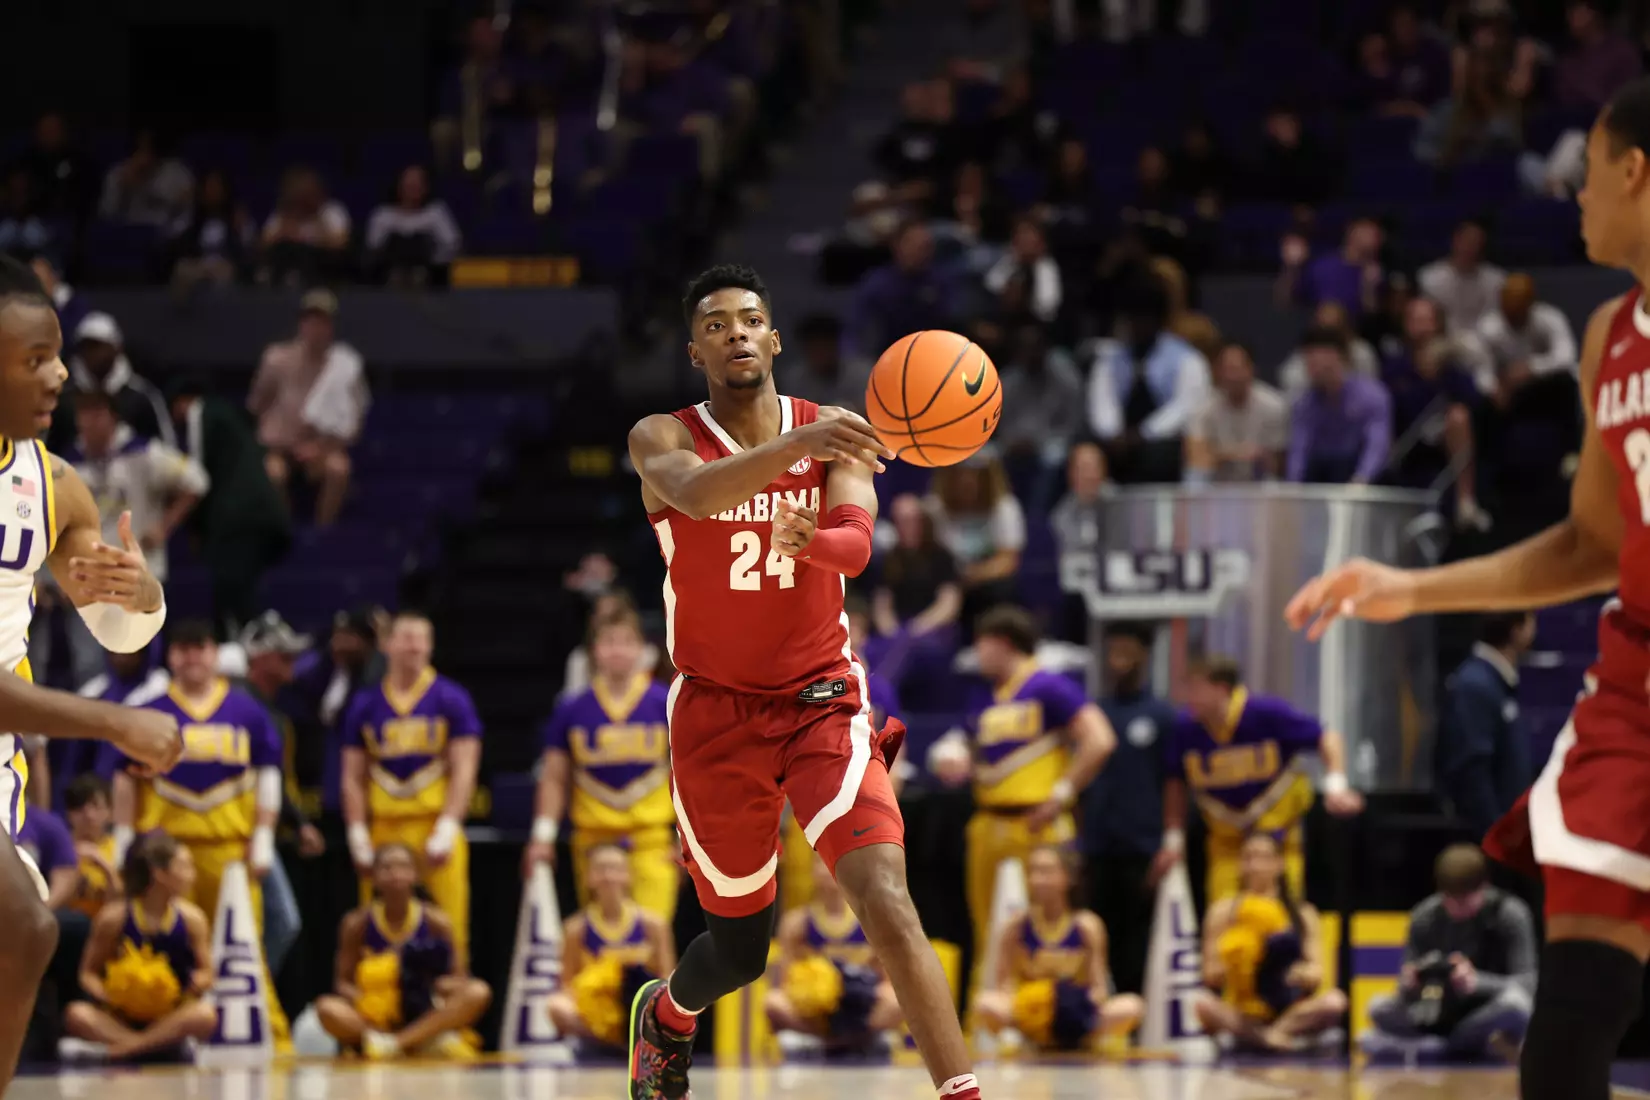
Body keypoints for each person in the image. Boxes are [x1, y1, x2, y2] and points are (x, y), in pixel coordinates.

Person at [1283, 76, 1650, 1100]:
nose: (1577, 198)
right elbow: (1591, 541)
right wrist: (1412, 587)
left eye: (1588, 175)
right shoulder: (1608, 340)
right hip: (1635, 687)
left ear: (1636, 170)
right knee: (1569, 1026)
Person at [623, 264, 984, 1100]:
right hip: (715, 713)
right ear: (695, 350)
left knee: (885, 896)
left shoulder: (833, 432)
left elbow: (857, 545)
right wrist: (794, 451)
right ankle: (669, 1015)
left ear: (775, 338)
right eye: (717, 325)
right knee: (742, 951)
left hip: (822, 697)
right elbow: (696, 498)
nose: (737, 333)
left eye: (751, 320)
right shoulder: (661, 438)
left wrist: (811, 539)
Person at [0, 254, 182, 1097]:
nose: (61, 374)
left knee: (23, 932)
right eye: (34, 357)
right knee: (26, 927)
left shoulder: (51, 480)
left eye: (58, 353)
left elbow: (119, 623)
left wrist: (138, 592)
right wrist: (111, 722)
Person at [112, 619, 291, 1044]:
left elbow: (269, 773)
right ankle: (165, 1032)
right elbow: (123, 776)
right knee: (164, 948)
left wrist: (264, 835)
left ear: (216, 654)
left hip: (230, 850)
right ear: (172, 657)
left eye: (201, 647)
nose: (193, 656)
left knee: (244, 946)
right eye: (184, 649)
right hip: (164, 855)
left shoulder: (248, 711)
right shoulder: (152, 709)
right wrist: (122, 837)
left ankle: (265, 1032)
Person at [927, 605, 1116, 978]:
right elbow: (966, 747)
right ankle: (989, 1020)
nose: (976, 655)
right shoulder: (984, 697)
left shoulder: (1049, 686)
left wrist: (1061, 795)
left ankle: (1055, 1010)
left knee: (1045, 925)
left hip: (1037, 824)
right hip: (988, 823)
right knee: (988, 928)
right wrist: (953, 758)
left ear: (1003, 643)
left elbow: (1100, 739)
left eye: (982, 645)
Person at [1151, 656, 1364, 905]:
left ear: (1221, 689)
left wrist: (1336, 786)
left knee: (1283, 915)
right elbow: (1175, 781)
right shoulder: (1186, 728)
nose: (1189, 698)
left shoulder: (1265, 713)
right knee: (1223, 916)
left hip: (1279, 840)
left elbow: (1328, 739)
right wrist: (1173, 840)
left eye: (1196, 689)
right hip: (1226, 843)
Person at [340, 611, 481, 964]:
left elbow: (465, 768)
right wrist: (357, 833)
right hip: (384, 828)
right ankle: (377, 1005)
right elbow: (352, 776)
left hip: (433, 825)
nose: (413, 645)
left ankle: (453, 1011)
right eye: (405, 637)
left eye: (421, 638)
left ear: (431, 646)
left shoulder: (452, 698)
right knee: (377, 927)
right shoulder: (365, 704)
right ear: (387, 644)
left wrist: (448, 826)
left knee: (450, 927)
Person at [529, 605, 677, 921]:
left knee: (652, 936)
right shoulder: (572, 708)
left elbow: (688, 774)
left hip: (650, 840)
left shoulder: (666, 701)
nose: (617, 650)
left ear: (642, 649)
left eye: (626, 641)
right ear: (595, 651)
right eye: (609, 642)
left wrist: (686, 838)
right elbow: (554, 777)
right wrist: (543, 835)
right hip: (593, 841)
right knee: (600, 940)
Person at [314, 843, 489, 1060]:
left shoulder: (436, 921)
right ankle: (411, 1042)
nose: (395, 873)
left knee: (478, 992)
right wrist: (371, 997)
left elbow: (459, 978)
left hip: (424, 1011)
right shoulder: (356, 923)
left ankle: (396, 1044)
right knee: (326, 1008)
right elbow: (342, 983)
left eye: (403, 866)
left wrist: (426, 985)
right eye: (387, 868)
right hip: (376, 1017)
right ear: (374, 877)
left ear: (415, 875)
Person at [1364, 844, 1535, 1059]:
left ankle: (1434, 1048)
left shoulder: (1510, 913)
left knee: (1516, 1004)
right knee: (1377, 1006)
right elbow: (1402, 985)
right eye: (1449, 898)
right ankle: (1452, 1047)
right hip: (1435, 1010)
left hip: (1483, 1012)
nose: (1456, 907)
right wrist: (1411, 983)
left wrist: (1477, 982)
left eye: (1464, 900)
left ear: (1484, 887)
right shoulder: (1424, 915)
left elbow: (1529, 983)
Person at [974, 846, 1144, 1052]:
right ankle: (1037, 1037)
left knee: (1132, 1006)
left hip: (1078, 1015)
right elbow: (1004, 985)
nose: (1037, 880)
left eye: (1046, 872)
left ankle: (1082, 1037)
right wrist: (1037, 1003)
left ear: (1066, 877)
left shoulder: (1086, 926)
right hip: (1031, 1016)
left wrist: (1072, 1002)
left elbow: (1099, 987)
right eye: (1033, 872)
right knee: (985, 1004)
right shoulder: (1016, 926)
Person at [64, 834, 216, 1061]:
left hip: (168, 1014)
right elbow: (88, 973)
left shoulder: (192, 919)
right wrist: (109, 995)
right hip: (120, 1016)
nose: (192, 875)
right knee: (76, 1014)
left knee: (205, 1015)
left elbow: (207, 972)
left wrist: (198, 981)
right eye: (184, 867)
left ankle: (121, 1050)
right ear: (159, 873)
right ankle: (156, 1046)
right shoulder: (113, 918)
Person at [1194, 833, 1347, 1053]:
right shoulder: (1222, 912)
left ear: (1279, 864)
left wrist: (1299, 974)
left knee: (1334, 1002)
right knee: (1203, 1003)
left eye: (1264, 858)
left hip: (1289, 1007)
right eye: (1248, 858)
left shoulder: (1302, 913)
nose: (1256, 865)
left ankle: (1270, 1036)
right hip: (1243, 1010)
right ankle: (1270, 1039)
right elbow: (1209, 973)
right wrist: (1237, 962)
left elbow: (1316, 971)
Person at [1084, 623, 1174, 997]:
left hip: (1142, 844)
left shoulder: (1161, 715)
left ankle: (1136, 1009)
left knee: (1139, 935)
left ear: (1144, 657)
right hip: (1098, 844)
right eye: (1113, 652)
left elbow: (1173, 782)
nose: (1118, 660)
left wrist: (1170, 837)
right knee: (1099, 930)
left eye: (1127, 652)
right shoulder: (1094, 714)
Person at [766, 855, 903, 1053]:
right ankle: (846, 1039)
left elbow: (887, 979)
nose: (829, 871)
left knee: (898, 1001)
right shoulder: (797, 923)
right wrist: (813, 993)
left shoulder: (870, 920)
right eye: (822, 865)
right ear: (812, 872)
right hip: (817, 1010)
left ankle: (832, 1040)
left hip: (861, 1002)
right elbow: (786, 981)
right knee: (774, 1002)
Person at [545, 843, 675, 1047]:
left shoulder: (653, 924)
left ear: (628, 876)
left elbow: (666, 974)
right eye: (600, 869)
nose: (608, 876)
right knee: (557, 1006)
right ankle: (601, 1047)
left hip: (638, 1006)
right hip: (594, 1011)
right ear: (588, 877)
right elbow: (566, 983)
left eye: (615, 869)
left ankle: (648, 1043)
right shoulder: (576, 928)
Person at [1437, 611, 1536, 837]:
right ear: (1516, 629)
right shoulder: (1475, 684)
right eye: (1531, 619)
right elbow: (1472, 767)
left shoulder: (1495, 682)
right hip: (1486, 838)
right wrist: (1496, 833)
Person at [63, 774, 120, 919]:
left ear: (110, 812)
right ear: (69, 814)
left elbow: (121, 905)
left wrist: (105, 867)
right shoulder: (58, 847)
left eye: (96, 806)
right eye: (80, 808)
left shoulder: (120, 849)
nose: (88, 815)